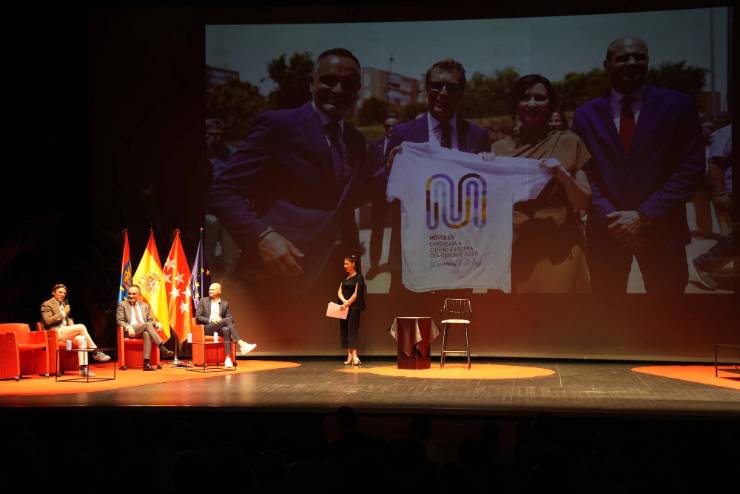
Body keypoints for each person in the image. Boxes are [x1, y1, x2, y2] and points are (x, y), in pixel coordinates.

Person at [208, 48, 381, 345]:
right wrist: (261, 236)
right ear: (311, 82)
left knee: (329, 358)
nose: (338, 90)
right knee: (266, 365)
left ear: (357, 91)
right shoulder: (278, 125)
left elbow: (345, 198)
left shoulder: (355, 140)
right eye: (329, 81)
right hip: (273, 279)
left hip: (332, 282)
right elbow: (222, 190)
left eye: (348, 84)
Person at [571, 36, 704, 294]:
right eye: (622, 58)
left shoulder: (678, 106)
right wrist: (616, 221)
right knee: (609, 310)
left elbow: (691, 168)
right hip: (607, 234)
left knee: (667, 311)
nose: (632, 62)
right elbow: (584, 171)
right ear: (606, 65)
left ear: (648, 62)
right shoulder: (586, 114)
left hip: (663, 231)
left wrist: (643, 215)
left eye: (639, 57)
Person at [385, 59, 490, 292]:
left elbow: (485, 196)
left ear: (461, 93)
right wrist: (389, 172)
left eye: (451, 87)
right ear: (426, 89)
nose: (443, 93)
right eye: (436, 86)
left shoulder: (478, 136)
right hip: (411, 254)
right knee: (407, 315)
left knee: (454, 314)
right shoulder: (402, 134)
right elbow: (381, 189)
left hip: (458, 257)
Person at [490, 74, 592, 293]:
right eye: (525, 98)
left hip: (558, 252)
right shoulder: (498, 150)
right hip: (513, 251)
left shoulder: (569, 143)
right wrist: (485, 169)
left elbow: (583, 203)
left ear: (551, 105)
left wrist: (565, 178)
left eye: (540, 98)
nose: (532, 104)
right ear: (516, 104)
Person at [691, 124, 734, 290]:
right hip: (725, 191)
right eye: (705, 128)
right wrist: (720, 193)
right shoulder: (727, 133)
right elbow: (715, 163)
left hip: (714, 186)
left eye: (709, 127)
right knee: (733, 236)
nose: (707, 131)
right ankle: (704, 263)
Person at [40, 283, 111, 377]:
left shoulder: (63, 304)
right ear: (53, 293)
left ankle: (83, 369)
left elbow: (64, 321)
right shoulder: (47, 304)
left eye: (64, 293)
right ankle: (95, 351)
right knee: (81, 327)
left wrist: (69, 322)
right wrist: (63, 313)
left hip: (64, 333)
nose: (62, 294)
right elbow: (48, 321)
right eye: (60, 292)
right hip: (54, 334)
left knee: (82, 339)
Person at [367, 115, 399, 279]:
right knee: (376, 230)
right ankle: (374, 265)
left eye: (394, 126)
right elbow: (368, 169)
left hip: (397, 194)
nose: (391, 129)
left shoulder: (404, 147)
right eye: (388, 126)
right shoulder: (375, 145)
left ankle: (395, 264)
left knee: (398, 231)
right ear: (384, 128)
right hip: (379, 195)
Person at [195, 282, 256, 367]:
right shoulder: (203, 301)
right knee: (226, 321)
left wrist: (222, 322)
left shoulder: (224, 303)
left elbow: (230, 318)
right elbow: (198, 317)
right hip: (207, 328)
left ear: (219, 291)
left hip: (219, 328)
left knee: (226, 330)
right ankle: (242, 343)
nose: (210, 291)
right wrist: (211, 319)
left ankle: (228, 359)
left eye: (213, 289)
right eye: (209, 289)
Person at [116, 284, 175, 371]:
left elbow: (151, 320)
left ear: (139, 295)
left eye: (134, 294)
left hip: (143, 329)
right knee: (147, 325)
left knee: (147, 333)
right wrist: (128, 327)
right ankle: (162, 347)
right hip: (130, 331)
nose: (131, 296)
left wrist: (156, 323)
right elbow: (119, 321)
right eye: (129, 293)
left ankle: (146, 363)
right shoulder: (122, 304)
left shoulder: (145, 306)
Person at [337, 255, 366, 365]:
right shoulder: (345, 278)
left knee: (352, 330)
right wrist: (344, 302)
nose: (344, 266)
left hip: (354, 308)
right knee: (345, 330)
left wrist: (348, 303)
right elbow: (339, 291)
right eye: (344, 264)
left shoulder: (359, 277)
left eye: (346, 264)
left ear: (353, 264)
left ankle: (355, 355)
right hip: (344, 308)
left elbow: (356, 294)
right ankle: (349, 355)